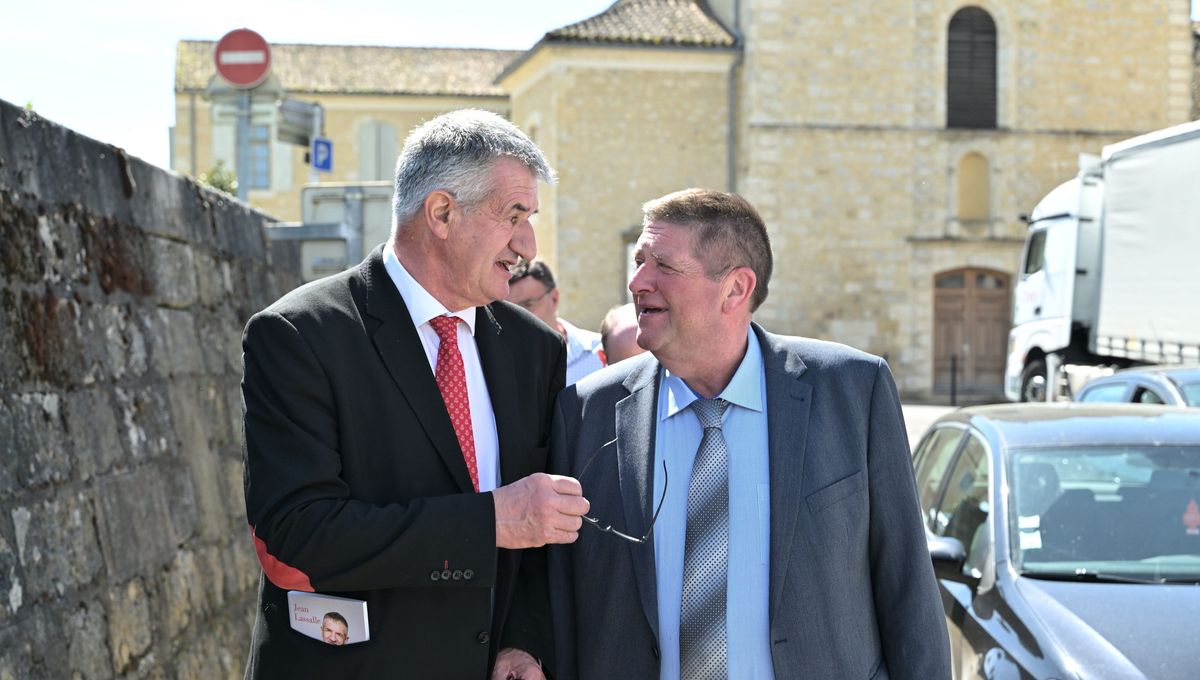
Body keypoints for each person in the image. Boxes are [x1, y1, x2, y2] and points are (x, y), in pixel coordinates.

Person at [242, 109, 589, 680]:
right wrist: (488, 523)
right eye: (514, 216)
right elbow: (296, 536)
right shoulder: (300, 335)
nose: (527, 243)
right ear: (442, 212)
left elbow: (538, 540)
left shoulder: (532, 347)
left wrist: (523, 643)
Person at [548, 189, 950, 679]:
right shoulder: (587, 412)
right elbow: (559, 601)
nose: (637, 281)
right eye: (638, 261)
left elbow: (907, 585)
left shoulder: (852, 391)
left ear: (735, 289)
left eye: (662, 266)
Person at [507, 258, 605, 384]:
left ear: (554, 298)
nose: (518, 316)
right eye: (510, 308)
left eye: (528, 304)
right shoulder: (498, 362)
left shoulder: (599, 352)